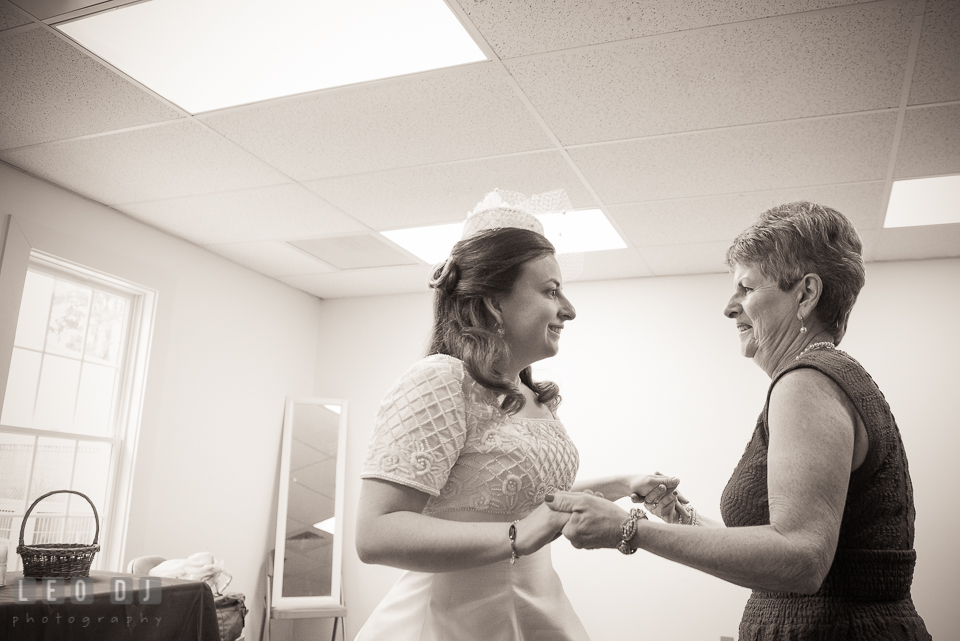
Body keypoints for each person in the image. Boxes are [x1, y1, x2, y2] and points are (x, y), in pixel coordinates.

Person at [546, 201, 931, 640]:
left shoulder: (805, 382)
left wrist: (628, 529)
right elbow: (784, 550)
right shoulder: (833, 377)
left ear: (805, 293)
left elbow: (801, 560)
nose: (730, 308)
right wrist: (681, 520)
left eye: (746, 288)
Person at [354, 189, 679, 641]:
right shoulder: (440, 380)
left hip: (539, 606)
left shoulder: (528, 394)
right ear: (494, 301)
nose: (569, 308)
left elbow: (526, 497)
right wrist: (518, 535)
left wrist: (622, 486)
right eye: (551, 291)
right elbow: (376, 534)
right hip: (451, 622)